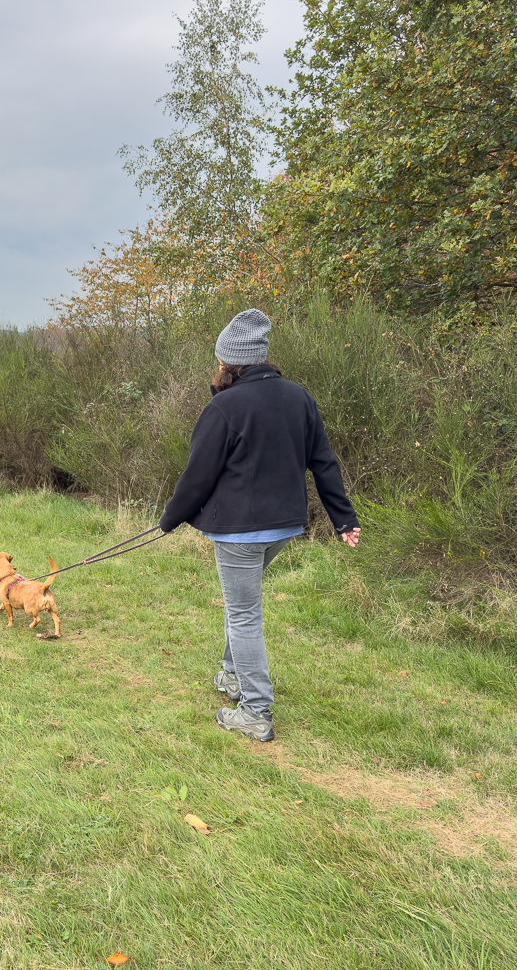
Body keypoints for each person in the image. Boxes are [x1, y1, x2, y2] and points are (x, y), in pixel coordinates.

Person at [158, 308, 360, 742]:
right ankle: (233, 677)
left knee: (243, 613)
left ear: (229, 361)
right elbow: (322, 462)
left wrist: (170, 519)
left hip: (240, 534)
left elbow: (198, 475)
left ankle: (255, 711)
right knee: (242, 606)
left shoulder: (225, 406)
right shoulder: (298, 397)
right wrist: (344, 519)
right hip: (284, 529)